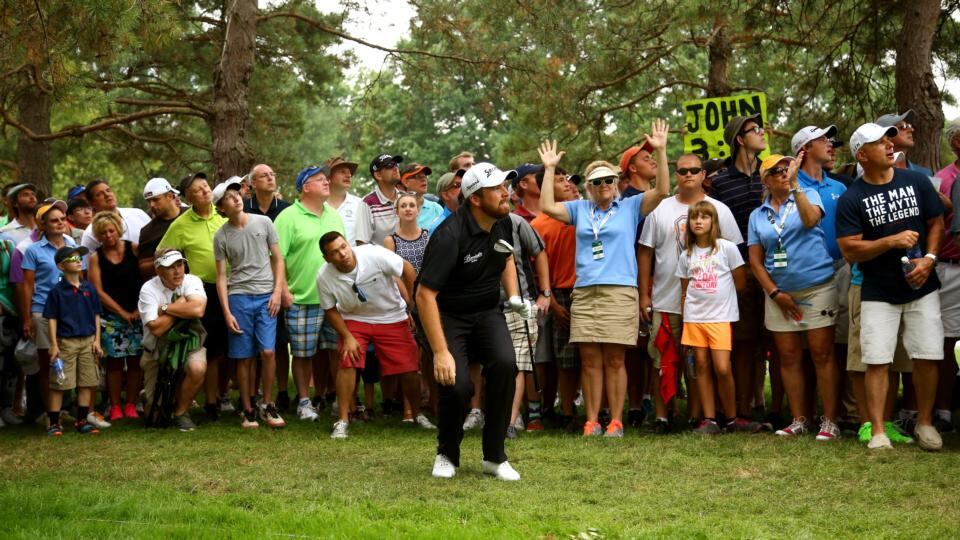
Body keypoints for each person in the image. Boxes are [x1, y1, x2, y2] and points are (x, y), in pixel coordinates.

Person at [538, 121, 671, 438]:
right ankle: (592, 420)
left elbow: (663, 190)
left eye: (609, 180)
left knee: (614, 358)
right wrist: (549, 169)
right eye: (597, 182)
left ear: (617, 181)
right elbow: (545, 206)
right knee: (589, 360)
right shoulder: (580, 209)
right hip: (585, 292)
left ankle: (616, 421)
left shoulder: (630, 206)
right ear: (589, 187)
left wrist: (662, 151)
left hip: (620, 292)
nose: (604, 186)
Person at [417, 162, 531, 481]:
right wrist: (440, 352)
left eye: (504, 185)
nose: (505, 191)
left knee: (506, 365)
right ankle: (447, 453)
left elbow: (505, 255)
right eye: (496, 188)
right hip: (448, 314)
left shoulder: (502, 220)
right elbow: (425, 296)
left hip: (486, 311)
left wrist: (513, 297)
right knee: (457, 385)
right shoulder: (449, 235)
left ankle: (494, 457)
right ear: (476, 199)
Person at [837, 122, 945, 451]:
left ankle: (925, 423)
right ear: (861, 154)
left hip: (922, 285)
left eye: (888, 139)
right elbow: (849, 249)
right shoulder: (853, 197)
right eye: (878, 142)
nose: (888, 145)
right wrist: (890, 241)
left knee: (927, 355)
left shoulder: (915, 181)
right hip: (877, 290)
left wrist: (928, 259)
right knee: (877, 360)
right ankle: (879, 431)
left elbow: (936, 222)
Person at [638, 153, 746, 431]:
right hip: (666, 299)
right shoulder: (660, 209)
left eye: (694, 170)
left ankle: (699, 416)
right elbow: (645, 253)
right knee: (663, 360)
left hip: (710, 309)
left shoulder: (719, 209)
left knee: (700, 365)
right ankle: (663, 417)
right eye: (682, 170)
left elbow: (734, 261)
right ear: (675, 174)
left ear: (703, 175)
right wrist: (644, 294)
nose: (688, 174)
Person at [748, 153, 840, 441]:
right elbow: (755, 261)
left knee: (822, 354)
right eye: (776, 171)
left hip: (817, 286)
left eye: (786, 168)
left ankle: (830, 421)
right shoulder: (757, 215)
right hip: (779, 294)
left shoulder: (808, 193)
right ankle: (799, 418)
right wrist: (775, 294)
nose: (783, 174)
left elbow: (812, 220)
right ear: (765, 180)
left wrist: (797, 184)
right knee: (787, 357)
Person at [317, 231, 433, 438]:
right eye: (335, 252)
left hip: (391, 316)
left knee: (409, 367)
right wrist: (348, 336)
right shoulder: (324, 276)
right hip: (354, 318)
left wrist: (412, 305)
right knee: (347, 359)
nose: (343, 254)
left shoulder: (373, 254)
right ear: (327, 258)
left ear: (348, 243)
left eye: (343, 246)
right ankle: (342, 419)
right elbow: (330, 309)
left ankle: (417, 414)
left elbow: (406, 269)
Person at [708, 114, 774, 427]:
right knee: (745, 342)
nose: (762, 133)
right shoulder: (719, 183)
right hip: (740, 268)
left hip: (777, 266)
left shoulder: (770, 174)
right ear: (739, 139)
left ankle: (779, 410)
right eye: (755, 130)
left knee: (777, 340)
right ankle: (742, 409)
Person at [274, 165, 346, 421]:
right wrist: (282, 290)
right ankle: (304, 401)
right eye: (319, 179)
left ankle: (340, 398)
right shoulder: (287, 217)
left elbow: (343, 254)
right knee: (303, 353)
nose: (327, 182)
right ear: (305, 187)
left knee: (336, 350)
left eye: (326, 179)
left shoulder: (333, 215)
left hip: (334, 298)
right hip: (301, 297)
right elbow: (277, 257)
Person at [213, 180, 286, 429]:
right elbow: (222, 276)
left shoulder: (264, 222)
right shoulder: (221, 235)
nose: (236, 199)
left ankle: (268, 404)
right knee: (243, 357)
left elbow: (278, 259)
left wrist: (277, 292)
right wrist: (226, 311)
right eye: (228, 198)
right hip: (239, 297)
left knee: (268, 351)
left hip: (266, 295)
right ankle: (247, 409)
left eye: (237, 194)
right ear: (221, 208)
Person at [158, 173, 229, 420]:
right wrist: (179, 279)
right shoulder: (181, 224)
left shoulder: (223, 214)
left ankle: (223, 397)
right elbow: (163, 253)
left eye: (206, 186)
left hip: (231, 288)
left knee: (224, 348)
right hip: (203, 291)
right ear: (188, 197)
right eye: (197, 190)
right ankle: (210, 401)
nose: (204, 191)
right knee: (207, 347)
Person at [676, 201, 746, 434]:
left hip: (720, 317)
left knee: (722, 368)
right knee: (702, 366)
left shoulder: (727, 248)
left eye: (704, 217)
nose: (698, 221)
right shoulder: (687, 254)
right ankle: (709, 419)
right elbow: (685, 289)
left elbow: (740, 282)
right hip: (695, 318)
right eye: (694, 217)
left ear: (713, 221)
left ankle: (731, 417)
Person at [530, 168, 581, 432]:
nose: (568, 183)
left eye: (567, 178)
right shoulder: (538, 225)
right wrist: (556, 304)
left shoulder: (584, 213)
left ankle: (601, 410)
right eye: (560, 180)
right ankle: (568, 411)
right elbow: (538, 270)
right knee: (566, 359)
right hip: (559, 293)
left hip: (588, 289)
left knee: (595, 355)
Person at [242, 164, 295, 411]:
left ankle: (282, 391)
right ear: (252, 183)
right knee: (253, 344)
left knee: (279, 341)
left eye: (273, 174)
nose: (270, 178)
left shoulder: (286, 210)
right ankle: (252, 394)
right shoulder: (243, 209)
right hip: (250, 283)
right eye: (264, 175)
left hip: (281, 281)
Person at [138, 248, 208, 432]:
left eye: (180, 265)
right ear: (159, 271)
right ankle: (149, 397)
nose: (178, 271)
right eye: (170, 267)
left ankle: (181, 412)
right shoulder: (148, 288)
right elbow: (157, 329)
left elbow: (199, 310)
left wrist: (166, 308)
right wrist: (181, 305)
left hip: (190, 342)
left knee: (197, 367)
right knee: (156, 419)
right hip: (156, 348)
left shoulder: (192, 280)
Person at [88, 211, 144, 421]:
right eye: (103, 233)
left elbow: (146, 279)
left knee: (136, 360)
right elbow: (98, 291)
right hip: (112, 317)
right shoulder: (96, 258)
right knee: (114, 363)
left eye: (111, 231)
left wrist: (139, 310)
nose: (108, 236)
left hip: (138, 313)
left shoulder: (134, 249)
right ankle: (115, 405)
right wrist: (121, 313)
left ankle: (131, 403)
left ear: (118, 230)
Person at [43, 246, 104, 436]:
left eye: (79, 257)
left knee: (87, 381)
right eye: (72, 259)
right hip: (65, 342)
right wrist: (53, 344)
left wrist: (97, 340)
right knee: (60, 383)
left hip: (88, 341)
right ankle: (53, 422)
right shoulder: (57, 291)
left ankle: (82, 420)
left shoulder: (89, 288)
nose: (78, 260)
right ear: (61, 266)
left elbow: (96, 314)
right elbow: (51, 318)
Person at [933, 119, 960, 432]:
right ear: (955, 143)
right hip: (950, 267)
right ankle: (943, 411)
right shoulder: (942, 179)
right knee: (946, 343)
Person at [80, 179, 151, 253]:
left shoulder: (138, 213)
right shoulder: (90, 234)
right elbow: (87, 263)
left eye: (108, 190)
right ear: (92, 203)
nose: (107, 195)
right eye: (99, 194)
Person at [138, 177, 183, 278]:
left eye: (155, 199)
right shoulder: (147, 231)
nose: (152, 205)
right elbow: (143, 267)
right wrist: (162, 259)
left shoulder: (191, 214)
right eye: (148, 201)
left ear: (170, 196)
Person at [325, 157, 372, 248]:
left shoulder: (361, 204)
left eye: (350, 173)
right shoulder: (316, 205)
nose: (349, 175)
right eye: (342, 172)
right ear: (328, 177)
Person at [361, 154, 405, 246]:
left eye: (396, 164)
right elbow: (362, 244)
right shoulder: (367, 203)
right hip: (381, 260)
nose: (395, 168)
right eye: (390, 166)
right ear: (378, 175)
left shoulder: (406, 198)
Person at [400, 163, 446, 232]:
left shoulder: (436, 208)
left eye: (425, 176)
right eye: (418, 177)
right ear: (406, 182)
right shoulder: (396, 209)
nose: (423, 179)